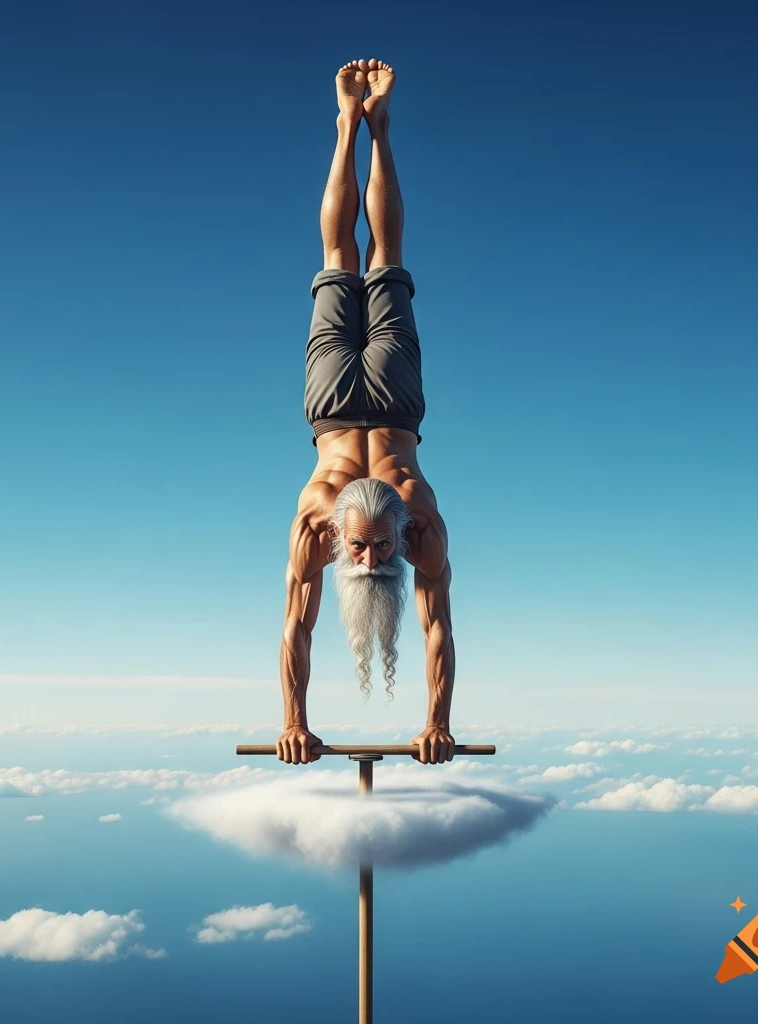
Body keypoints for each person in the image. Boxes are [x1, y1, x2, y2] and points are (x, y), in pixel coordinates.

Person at [276, 59, 455, 767]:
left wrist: (437, 723)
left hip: (330, 409)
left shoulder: (409, 526)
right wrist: (293, 722)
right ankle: (354, 124)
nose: (372, 556)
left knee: (354, 258)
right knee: (366, 256)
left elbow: (437, 627)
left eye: (377, 550)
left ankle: (374, 126)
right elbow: (295, 625)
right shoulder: (323, 523)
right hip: (397, 402)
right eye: (366, 548)